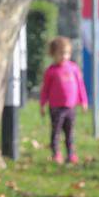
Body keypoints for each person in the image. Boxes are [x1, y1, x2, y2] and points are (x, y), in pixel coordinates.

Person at [38, 36, 87, 164]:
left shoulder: (74, 68)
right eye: (61, 53)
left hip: (70, 107)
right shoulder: (51, 71)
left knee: (70, 132)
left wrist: (83, 101)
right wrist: (42, 104)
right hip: (56, 108)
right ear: (53, 54)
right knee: (56, 132)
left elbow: (80, 85)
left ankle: (70, 155)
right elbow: (45, 90)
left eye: (67, 53)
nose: (64, 56)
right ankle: (56, 154)